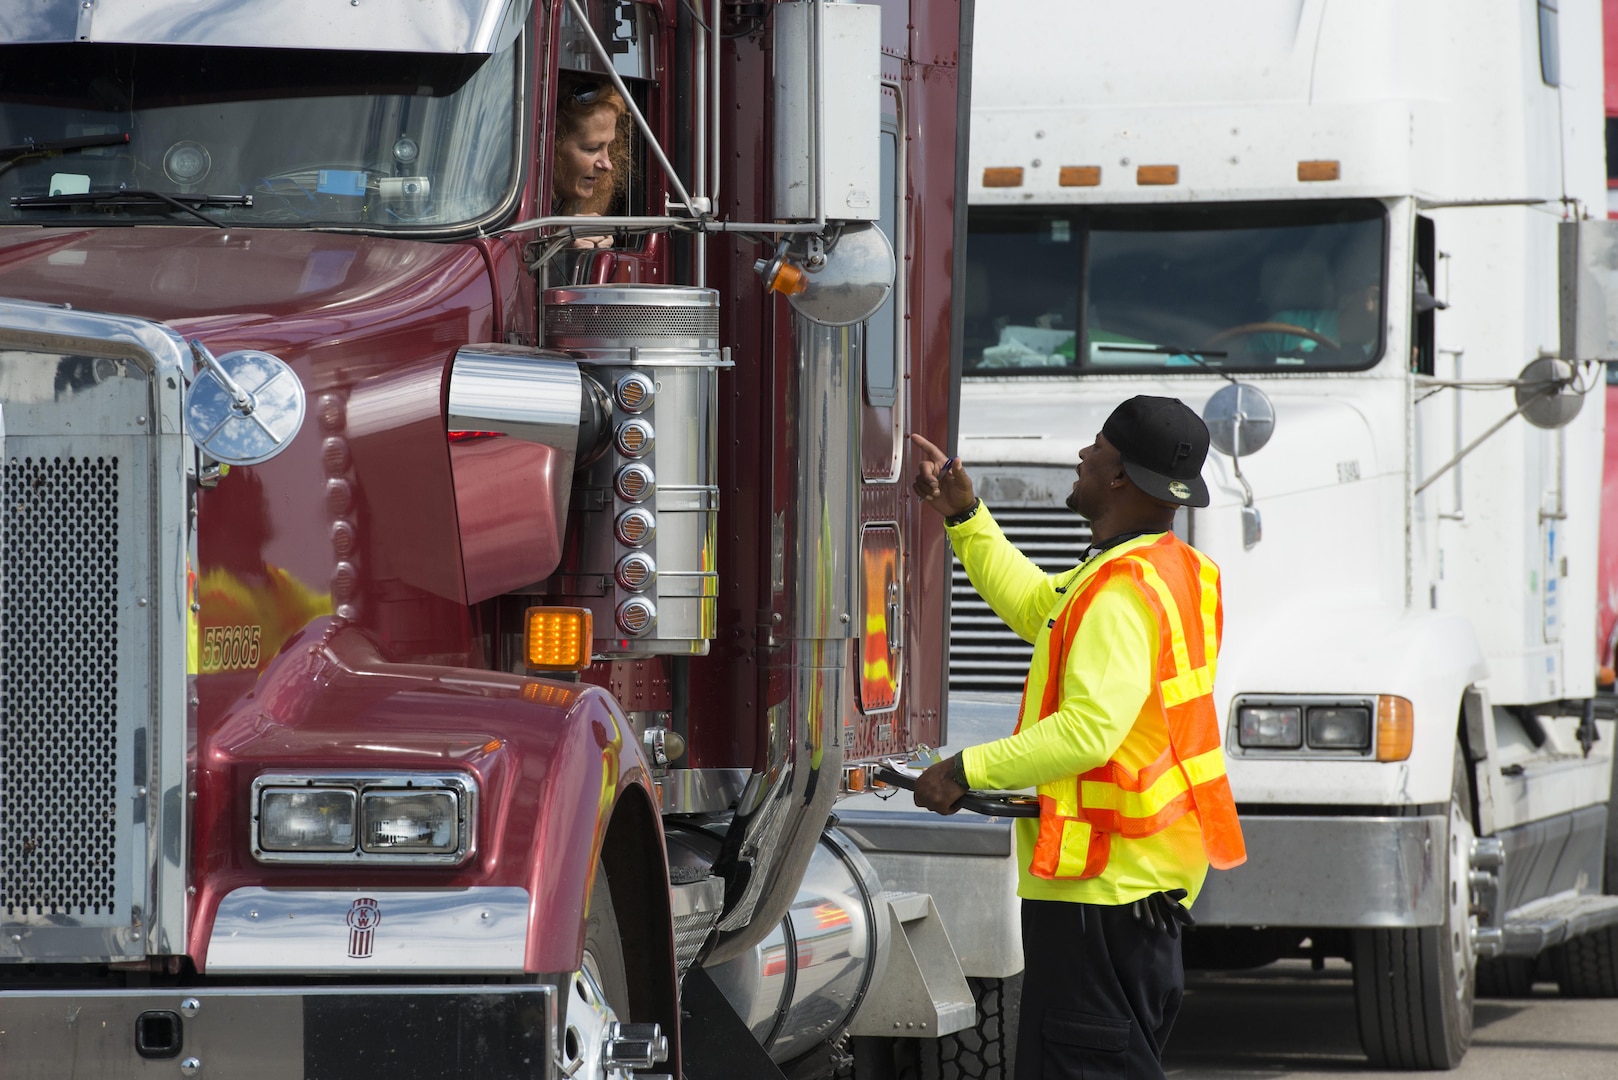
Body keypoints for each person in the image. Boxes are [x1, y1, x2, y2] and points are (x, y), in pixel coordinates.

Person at [909, 396, 1246, 1080]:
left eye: (1095, 447)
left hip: (1104, 892)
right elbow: (1040, 608)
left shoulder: (1122, 591)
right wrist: (967, 520)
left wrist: (966, 770)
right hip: (1135, 889)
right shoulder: (1163, 570)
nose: (1082, 457)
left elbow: (1091, 730)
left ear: (1119, 475)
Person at [553, 76, 632, 248]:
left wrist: (598, 246)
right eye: (592, 148)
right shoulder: (504, 204)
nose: (607, 165)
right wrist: (555, 245)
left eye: (609, 147)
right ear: (553, 146)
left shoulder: (601, 188)